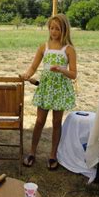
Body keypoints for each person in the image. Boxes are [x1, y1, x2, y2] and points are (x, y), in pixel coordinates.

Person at [21, 14, 77, 170]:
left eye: (57, 29)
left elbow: (73, 74)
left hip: (60, 90)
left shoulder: (69, 50)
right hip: (46, 88)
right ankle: (32, 152)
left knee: (56, 123)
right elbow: (33, 67)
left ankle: (53, 155)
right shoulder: (43, 47)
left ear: (64, 30)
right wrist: (27, 74)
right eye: (51, 28)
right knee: (39, 121)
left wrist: (61, 69)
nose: (53, 31)